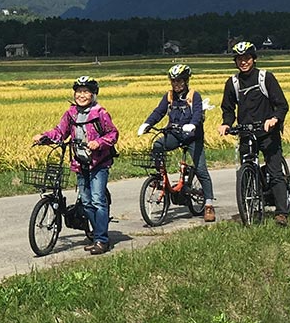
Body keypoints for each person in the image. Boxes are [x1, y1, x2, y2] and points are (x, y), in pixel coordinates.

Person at [32, 76, 118, 254]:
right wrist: (44, 137)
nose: (82, 95)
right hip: (80, 162)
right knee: (86, 203)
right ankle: (96, 235)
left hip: (98, 163)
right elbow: (59, 131)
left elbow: (112, 134)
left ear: (93, 94)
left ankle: (102, 240)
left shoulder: (100, 113)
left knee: (97, 200)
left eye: (86, 92)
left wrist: (98, 143)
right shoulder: (71, 114)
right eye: (79, 92)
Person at [219, 41, 290, 225]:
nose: (243, 62)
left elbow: (282, 105)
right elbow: (228, 109)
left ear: (254, 59)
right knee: (246, 169)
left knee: (275, 171)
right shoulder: (233, 83)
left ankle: (281, 213)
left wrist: (274, 119)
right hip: (246, 133)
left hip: (267, 132)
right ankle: (251, 206)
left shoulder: (265, 78)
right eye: (239, 59)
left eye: (247, 58)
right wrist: (226, 124)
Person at [136, 64, 216, 222]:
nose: (176, 84)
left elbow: (198, 113)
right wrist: (147, 124)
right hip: (174, 134)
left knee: (201, 170)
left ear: (186, 81)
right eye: (173, 81)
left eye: (180, 81)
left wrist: (192, 125)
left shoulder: (194, 95)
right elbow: (159, 112)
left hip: (192, 136)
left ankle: (208, 205)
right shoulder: (169, 96)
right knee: (158, 144)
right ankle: (160, 177)